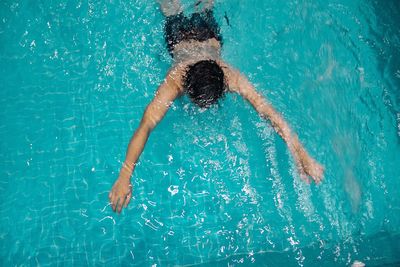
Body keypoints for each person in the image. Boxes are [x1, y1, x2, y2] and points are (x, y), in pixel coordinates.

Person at [109, 0, 324, 213]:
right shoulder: (175, 80)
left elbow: (271, 114)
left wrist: (301, 154)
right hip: (179, 35)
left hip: (207, 33)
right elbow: (146, 125)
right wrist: (124, 176)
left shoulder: (230, 76)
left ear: (223, 85)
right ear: (187, 84)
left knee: (204, 7)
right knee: (172, 10)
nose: (204, 108)